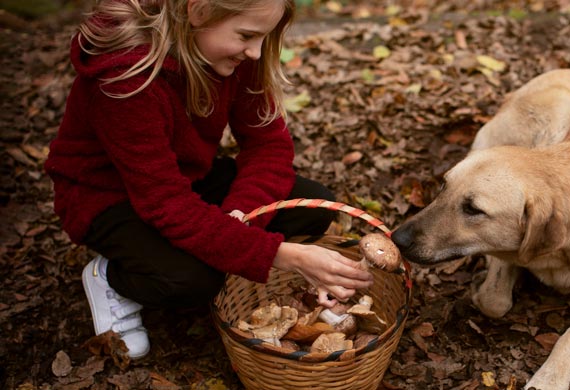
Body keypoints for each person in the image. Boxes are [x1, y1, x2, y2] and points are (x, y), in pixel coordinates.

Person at [44, 0, 373, 359]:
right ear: (198, 12)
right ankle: (112, 279)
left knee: (310, 204)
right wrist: (281, 255)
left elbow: (268, 146)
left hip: (183, 178)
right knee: (194, 279)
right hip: (107, 197)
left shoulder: (234, 54)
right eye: (247, 35)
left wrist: (240, 217)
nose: (256, 51)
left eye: (263, 38)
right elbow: (165, 203)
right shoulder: (126, 78)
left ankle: (217, 250)